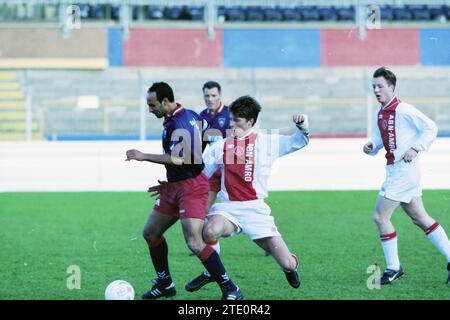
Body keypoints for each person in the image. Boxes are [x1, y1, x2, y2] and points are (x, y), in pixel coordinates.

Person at [126, 82, 242, 300]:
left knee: (194, 242)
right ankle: (165, 284)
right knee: (150, 232)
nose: (150, 110)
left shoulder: (180, 122)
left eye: (152, 105)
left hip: (191, 187)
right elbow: (195, 150)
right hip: (177, 185)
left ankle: (231, 288)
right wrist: (171, 182)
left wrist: (143, 156)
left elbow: (182, 158)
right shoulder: (188, 114)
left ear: (166, 101)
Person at [184, 95, 309, 293]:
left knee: (287, 264)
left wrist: (302, 126)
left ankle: (291, 265)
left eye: (236, 121)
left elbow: (299, 141)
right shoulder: (221, 146)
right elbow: (199, 174)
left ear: (250, 121)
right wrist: (173, 185)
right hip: (228, 208)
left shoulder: (268, 142)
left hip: (255, 210)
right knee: (209, 232)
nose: (231, 123)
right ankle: (212, 271)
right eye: (231, 119)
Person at [363, 67, 450, 285]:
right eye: (374, 86)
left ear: (391, 87)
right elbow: (381, 138)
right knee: (420, 218)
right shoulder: (380, 112)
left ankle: (393, 267)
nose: (376, 90)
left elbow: (431, 127)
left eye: (380, 86)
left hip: (403, 171)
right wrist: (372, 146)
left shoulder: (404, 109)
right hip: (398, 170)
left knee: (380, 217)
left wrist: (416, 147)